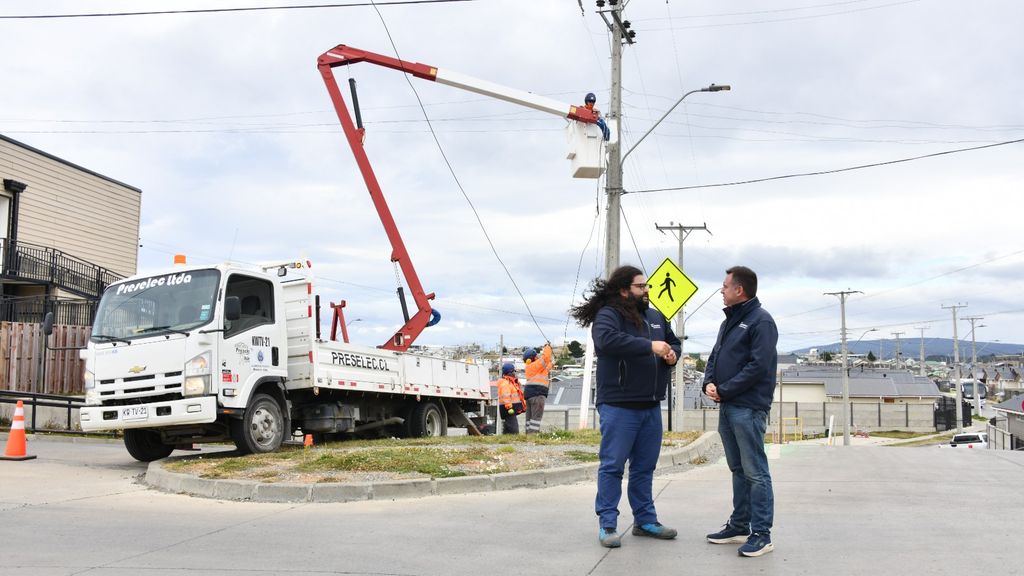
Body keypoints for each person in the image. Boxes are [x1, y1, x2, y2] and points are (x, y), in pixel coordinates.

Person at [569, 264, 681, 548]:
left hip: (650, 405)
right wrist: (650, 347)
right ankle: (608, 524)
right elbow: (606, 341)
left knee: (645, 467)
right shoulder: (610, 315)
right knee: (613, 466)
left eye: (647, 287)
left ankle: (645, 520)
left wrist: (672, 355)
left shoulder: (656, 317)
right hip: (619, 405)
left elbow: (673, 343)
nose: (647, 291)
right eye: (641, 287)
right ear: (623, 290)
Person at [702, 266, 779, 557]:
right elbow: (715, 355)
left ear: (739, 290)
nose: (721, 291)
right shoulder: (730, 321)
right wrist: (709, 382)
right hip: (728, 405)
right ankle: (739, 526)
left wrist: (726, 389)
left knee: (756, 472)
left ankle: (762, 534)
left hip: (748, 407)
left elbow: (758, 366)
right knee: (738, 469)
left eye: (724, 286)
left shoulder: (762, 321)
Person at [522, 343, 553, 434]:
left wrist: (552, 363)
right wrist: (547, 347)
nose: (538, 356)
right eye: (537, 355)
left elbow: (545, 369)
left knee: (530, 417)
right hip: (537, 394)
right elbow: (546, 358)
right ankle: (533, 435)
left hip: (530, 394)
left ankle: (528, 434)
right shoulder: (536, 365)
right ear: (534, 358)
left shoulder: (531, 367)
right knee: (536, 417)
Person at [497, 362, 525, 435]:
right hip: (508, 410)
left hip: (509, 409)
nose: (514, 373)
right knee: (514, 430)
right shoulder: (506, 383)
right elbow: (506, 397)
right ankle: (512, 441)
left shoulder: (509, 382)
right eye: (513, 371)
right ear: (510, 372)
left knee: (508, 428)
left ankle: (506, 440)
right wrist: (509, 408)